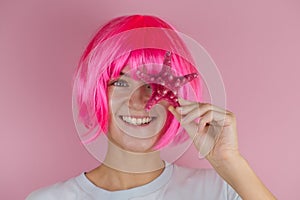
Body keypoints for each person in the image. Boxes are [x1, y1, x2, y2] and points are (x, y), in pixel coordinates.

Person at [26, 15, 276, 200]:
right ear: (96, 91)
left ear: (176, 96)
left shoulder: (221, 191)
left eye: (153, 83)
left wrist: (230, 162)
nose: (137, 101)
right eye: (121, 82)